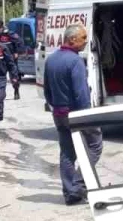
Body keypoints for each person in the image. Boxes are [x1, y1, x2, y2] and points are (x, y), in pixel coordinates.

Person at [44, 23, 102, 205]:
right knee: (95, 146)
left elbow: (47, 91)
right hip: (76, 113)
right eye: (83, 38)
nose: (86, 42)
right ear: (72, 40)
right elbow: (81, 93)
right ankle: (77, 185)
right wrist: (87, 117)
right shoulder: (75, 61)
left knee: (67, 152)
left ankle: (70, 192)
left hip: (59, 113)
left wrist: (56, 106)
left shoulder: (51, 59)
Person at [0, 18, 20, 99]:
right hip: (0, 58)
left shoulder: (8, 33)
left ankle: (16, 91)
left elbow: (18, 42)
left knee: (14, 76)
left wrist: (16, 52)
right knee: (0, 76)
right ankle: (0, 92)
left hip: (11, 57)